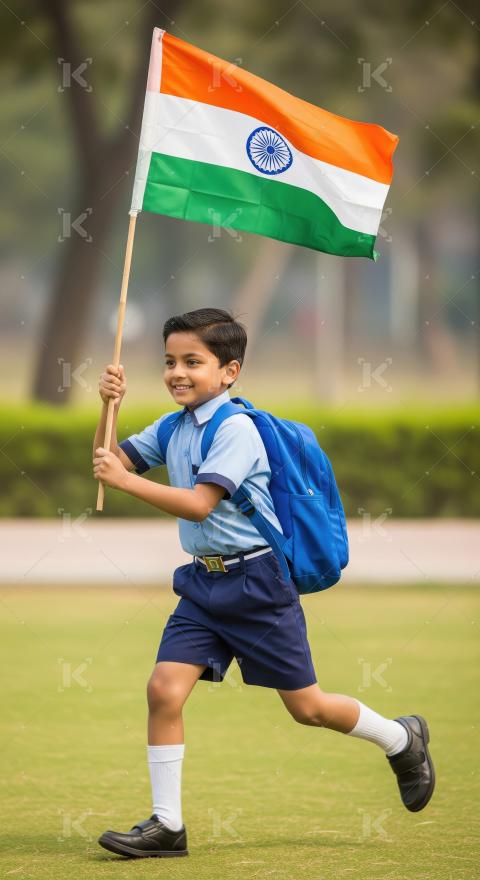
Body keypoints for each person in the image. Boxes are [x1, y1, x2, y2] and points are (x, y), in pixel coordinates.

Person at [93, 307, 435, 859]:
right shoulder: (173, 426)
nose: (178, 372)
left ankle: (401, 738)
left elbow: (201, 505)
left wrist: (125, 482)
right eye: (170, 361)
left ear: (229, 372)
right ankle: (167, 826)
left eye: (193, 362)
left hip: (258, 584)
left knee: (309, 709)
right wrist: (108, 407)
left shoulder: (237, 431)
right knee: (163, 689)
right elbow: (109, 461)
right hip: (203, 586)